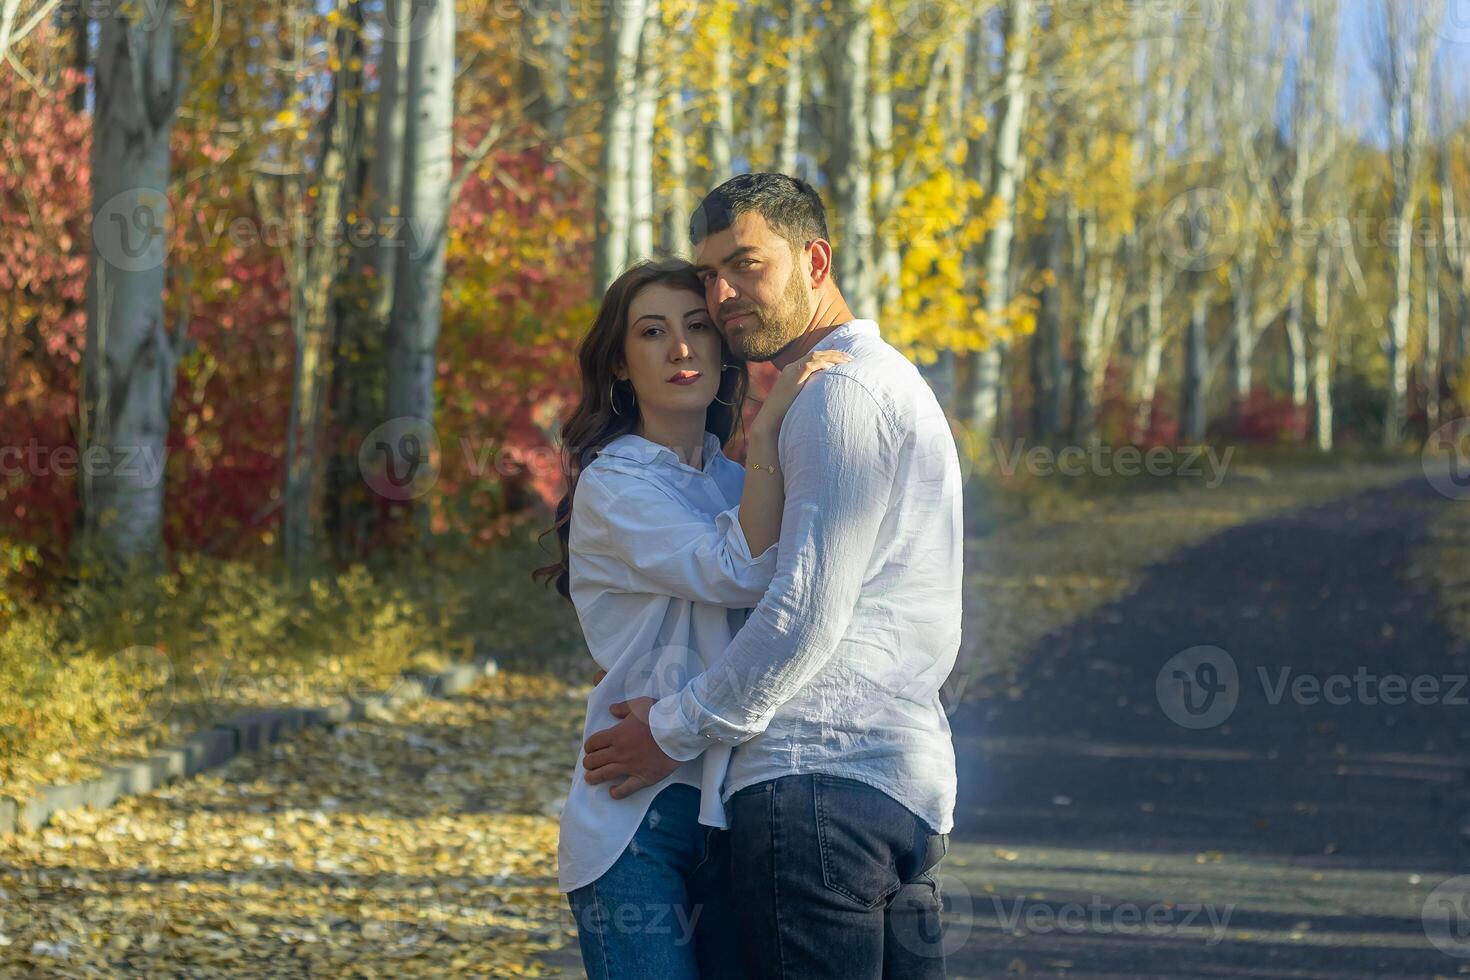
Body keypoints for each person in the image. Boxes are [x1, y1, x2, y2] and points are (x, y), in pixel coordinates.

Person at [580, 173, 963, 978]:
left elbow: (800, 614)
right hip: (849, 790)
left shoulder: (835, 396)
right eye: (709, 274)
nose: (721, 297)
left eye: (744, 266)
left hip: (820, 786)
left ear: (815, 261)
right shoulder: (844, 392)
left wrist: (674, 725)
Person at [535, 257, 850, 979]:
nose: (681, 348)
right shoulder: (616, 482)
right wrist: (770, 433)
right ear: (621, 362)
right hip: (637, 818)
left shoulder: (737, 484)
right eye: (653, 332)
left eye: (698, 326)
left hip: (740, 804)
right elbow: (738, 570)